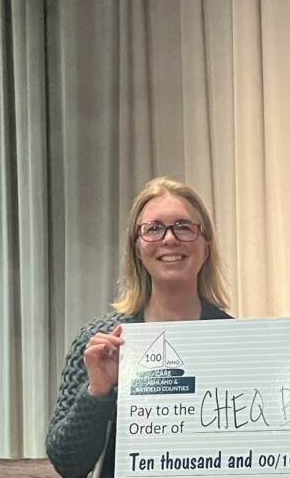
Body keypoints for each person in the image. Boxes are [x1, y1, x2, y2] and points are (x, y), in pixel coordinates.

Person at [46, 177, 233, 478]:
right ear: (136, 247)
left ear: (206, 245)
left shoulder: (236, 342)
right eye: (154, 228)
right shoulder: (99, 343)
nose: (169, 239)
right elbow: (67, 463)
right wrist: (97, 391)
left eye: (184, 227)